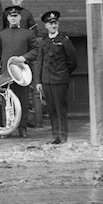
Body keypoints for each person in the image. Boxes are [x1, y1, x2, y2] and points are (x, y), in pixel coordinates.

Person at [0, 5, 39, 138]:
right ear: (7, 18)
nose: (13, 19)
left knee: (22, 100)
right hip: (6, 73)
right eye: (11, 16)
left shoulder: (27, 33)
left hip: (21, 72)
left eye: (16, 16)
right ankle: (7, 128)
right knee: (6, 100)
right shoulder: (1, 34)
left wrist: (24, 57)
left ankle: (22, 128)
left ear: (19, 18)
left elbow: (35, 50)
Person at [35, 10, 78, 144]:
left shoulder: (64, 41)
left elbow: (73, 62)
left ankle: (63, 136)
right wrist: (39, 82)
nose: (53, 26)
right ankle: (55, 136)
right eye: (50, 23)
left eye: (55, 23)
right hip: (47, 81)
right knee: (52, 109)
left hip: (60, 81)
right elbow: (40, 63)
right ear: (46, 26)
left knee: (60, 109)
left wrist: (63, 73)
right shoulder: (43, 42)